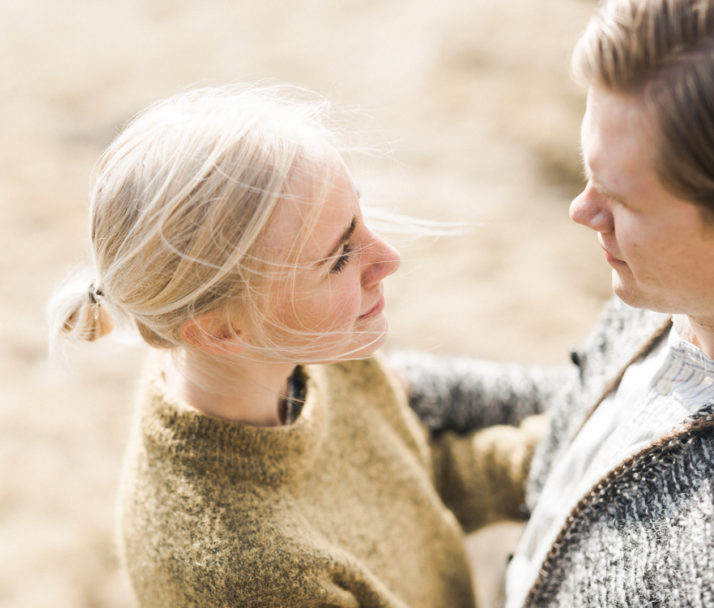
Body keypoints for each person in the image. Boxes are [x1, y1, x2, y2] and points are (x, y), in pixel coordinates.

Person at [47, 85, 544, 607]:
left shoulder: (291, 354)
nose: (387, 258)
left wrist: (567, 444)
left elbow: (410, 485)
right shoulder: (252, 577)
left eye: (359, 215)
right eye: (337, 258)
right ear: (218, 329)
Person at [395, 0, 714, 605]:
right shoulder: (661, 294)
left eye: (623, 201)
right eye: (587, 171)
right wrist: (409, 386)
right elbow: (596, 407)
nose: (582, 211)